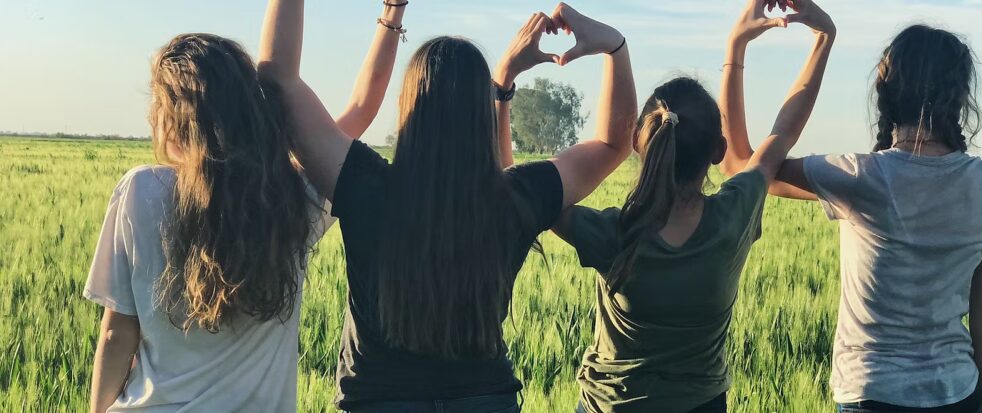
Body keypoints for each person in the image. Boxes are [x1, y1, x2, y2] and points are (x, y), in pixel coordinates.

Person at [257, 1, 637, 411]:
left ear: (407, 107)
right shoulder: (517, 197)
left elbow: (278, 79)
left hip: (380, 401)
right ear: (480, 114)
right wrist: (614, 48)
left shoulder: (363, 184)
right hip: (485, 399)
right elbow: (613, 143)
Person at [84, 4, 403, 409]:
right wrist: (393, 13)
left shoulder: (139, 190)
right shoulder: (291, 197)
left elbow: (116, 334)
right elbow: (362, 108)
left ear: (170, 116)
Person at [720, 8, 982, 413]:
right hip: (956, 393)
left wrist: (739, 48)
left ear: (885, 90)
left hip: (872, 396)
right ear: (960, 97)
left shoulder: (861, 176)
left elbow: (739, 165)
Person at [554, 1, 833, 412]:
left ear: (638, 145)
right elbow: (783, 131)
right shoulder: (733, 216)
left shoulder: (613, 232)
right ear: (718, 151)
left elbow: (527, 193)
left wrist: (502, 90)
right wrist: (818, 38)